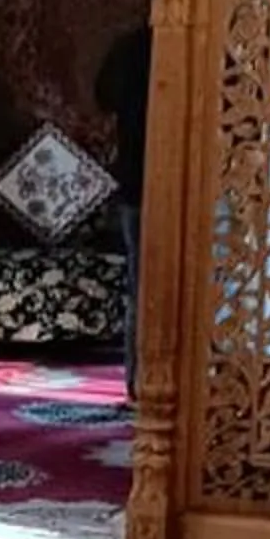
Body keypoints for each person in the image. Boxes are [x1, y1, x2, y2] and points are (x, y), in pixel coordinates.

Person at [94, 22, 152, 392]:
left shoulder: (129, 47)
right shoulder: (206, 48)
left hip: (135, 182)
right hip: (163, 182)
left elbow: (104, 97)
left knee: (141, 286)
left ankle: (138, 383)